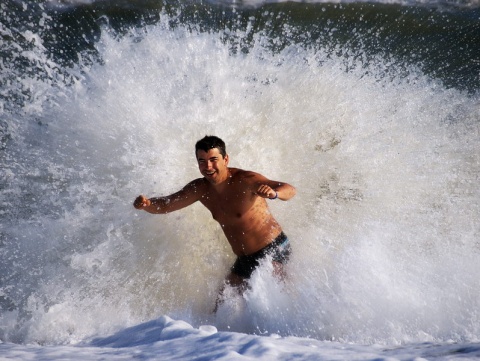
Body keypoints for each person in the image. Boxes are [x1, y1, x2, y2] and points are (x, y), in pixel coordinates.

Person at [133, 135, 296, 309]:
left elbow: (290, 189)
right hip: (244, 259)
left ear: (225, 159)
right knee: (220, 309)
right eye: (202, 161)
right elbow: (166, 205)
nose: (208, 166)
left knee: (277, 307)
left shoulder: (246, 180)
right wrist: (147, 204)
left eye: (213, 159)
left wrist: (274, 194)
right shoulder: (200, 189)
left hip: (273, 249)